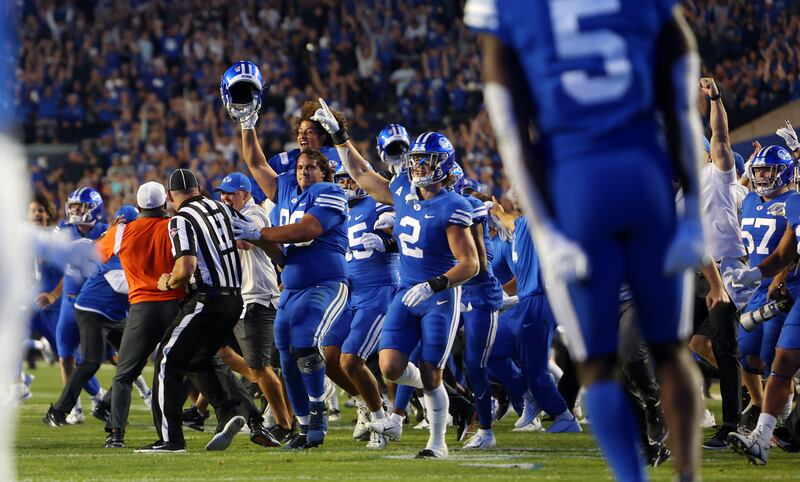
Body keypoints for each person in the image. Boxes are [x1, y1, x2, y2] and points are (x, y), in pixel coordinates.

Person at [465, 1, 708, 480]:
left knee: (597, 364)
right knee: (671, 350)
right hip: (645, 178)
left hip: (578, 187)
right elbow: (680, 97)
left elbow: (512, 131)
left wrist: (549, 227)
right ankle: (688, 477)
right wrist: (692, 210)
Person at [314, 98, 480, 458]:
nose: (419, 166)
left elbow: (470, 264)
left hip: (437, 296)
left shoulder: (453, 205)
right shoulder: (402, 187)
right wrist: (341, 137)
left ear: (445, 165)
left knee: (432, 369)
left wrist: (435, 284)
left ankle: (436, 442)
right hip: (406, 293)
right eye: (417, 159)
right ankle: (438, 399)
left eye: (427, 161)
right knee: (391, 366)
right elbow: (361, 174)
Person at [232, 146, 349, 450]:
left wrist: (260, 233)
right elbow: (280, 253)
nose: (304, 171)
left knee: (304, 342)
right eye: (300, 167)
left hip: (325, 283)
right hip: (292, 287)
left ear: (325, 172)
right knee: (285, 355)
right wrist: (247, 123)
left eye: (311, 167)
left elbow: (305, 230)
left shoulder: (330, 191)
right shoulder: (286, 197)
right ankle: (304, 424)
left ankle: (319, 410)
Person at [135, 169, 252, 453]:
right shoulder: (220, 207)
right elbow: (249, 238)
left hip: (207, 299)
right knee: (197, 360)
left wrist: (168, 283)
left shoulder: (180, 219)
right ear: (199, 187)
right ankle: (229, 411)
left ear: (170, 197)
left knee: (165, 359)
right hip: (236, 299)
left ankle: (170, 439)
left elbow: (185, 267)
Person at [94, 182, 183, 449]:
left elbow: (96, 253)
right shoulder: (174, 225)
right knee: (200, 365)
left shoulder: (122, 231)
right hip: (174, 305)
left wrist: (111, 230)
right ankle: (240, 413)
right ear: (165, 202)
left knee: (124, 374)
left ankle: (116, 434)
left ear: (139, 205)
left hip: (142, 308)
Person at [728, 145, 800, 465]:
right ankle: (767, 428)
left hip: (790, 288)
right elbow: (786, 252)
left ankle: (770, 429)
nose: (762, 177)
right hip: (770, 288)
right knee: (753, 351)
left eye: (768, 170)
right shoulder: (762, 202)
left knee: (779, 359)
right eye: (758, 171)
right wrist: (756, 273)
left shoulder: (793, 201)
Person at [214, 172, 293, 441]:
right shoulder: (229, 215)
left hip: (257, 298)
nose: (224, 198)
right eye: (222, 193)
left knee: (260, 366)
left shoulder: (255, 214)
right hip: (240, 298)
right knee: (222, 352)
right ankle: (273, 388)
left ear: (246, 195)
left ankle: (284, 424)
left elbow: (246, 240)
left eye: (230, 193)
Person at [332, 164, 400, 449]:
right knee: (327, 355)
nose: (346, 184)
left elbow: (401, 234)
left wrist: (386, 242)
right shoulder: (337, 211)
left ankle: (379, 420)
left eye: (349, 177)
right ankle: (366, 404)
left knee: (351, 360)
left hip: (378, 290)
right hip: (350, 293)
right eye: (341, 179)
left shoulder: (377, 201)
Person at [54, 187, 109, 423]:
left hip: (94, 304)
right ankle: (74, 406)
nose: (75, 210)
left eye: (81, 206)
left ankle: (107, 398)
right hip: (69, 300)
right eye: (73, 205)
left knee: (100, 357)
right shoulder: (63, 229)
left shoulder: (106, 230)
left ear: (94, 208)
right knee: (65, 355)